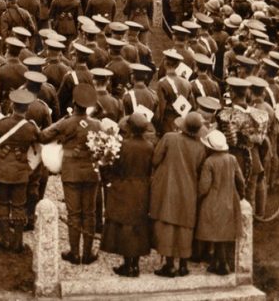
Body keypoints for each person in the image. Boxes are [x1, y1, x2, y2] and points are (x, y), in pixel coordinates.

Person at [40, 83, 102, 264]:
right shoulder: (97, 124)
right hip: (91, 172)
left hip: (72, 172)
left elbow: (44, 136)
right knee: (90, 212)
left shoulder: (67, 123)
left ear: (74, 103)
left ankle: (74, 253)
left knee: (74, 213)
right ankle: (88, 253)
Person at [150, 111, 207, 277]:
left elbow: (155, 159)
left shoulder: (169, 138)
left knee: (167, 224)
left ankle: (169, 264)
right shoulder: (200, 147)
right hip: (189, 188)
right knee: (185, 225)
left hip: (167, 186)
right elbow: (199, 169)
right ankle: (183, 264)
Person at [0, 88, 40, 253]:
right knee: (19, 206)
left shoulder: (2, 123)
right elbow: (39, 141)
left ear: (12, 106)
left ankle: (4, 239)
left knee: (2, 204)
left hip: (1, 169)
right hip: (20, 172)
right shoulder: (31, 127)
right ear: (27, 108)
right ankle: (18, 242)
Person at [101, 111, 154, 276]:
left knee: (125, 226)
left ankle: (127, 264)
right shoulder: (149, 146)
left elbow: (110, 166)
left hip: (124, 187)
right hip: (142, 188)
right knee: (138, 225)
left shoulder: (122, 144)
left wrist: (109, 180)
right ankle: (135, 264)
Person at [195, 129, 245, 276]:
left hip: (213, 200)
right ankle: (218, 263)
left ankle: (221, 264)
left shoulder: (209, 162)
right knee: (223, 233)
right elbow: (240, 180)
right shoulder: (232, 159)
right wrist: (241, 195)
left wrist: (198, 197)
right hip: (229, 198)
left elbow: (204, 186)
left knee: (215, 233)